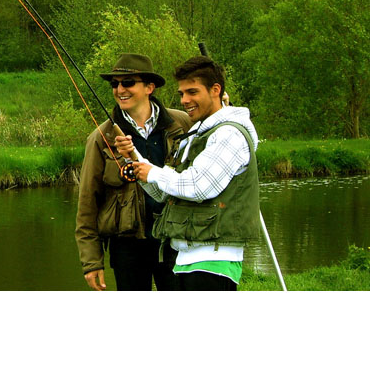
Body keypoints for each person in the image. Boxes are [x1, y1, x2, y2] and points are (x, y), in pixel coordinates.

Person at [115, 56, 260, 291]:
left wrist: (152, 172)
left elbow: (198, 187)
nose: (185, 100)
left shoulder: (229, 135)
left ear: (216, 90)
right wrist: (135, 158)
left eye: (192, 92)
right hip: (186, 259)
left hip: (213, 262)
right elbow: (166, 193)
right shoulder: (197, 133)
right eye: (182, 94)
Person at [75, 53, 191, 291]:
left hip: (177, 241)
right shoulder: (101, 138)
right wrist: (91, 262)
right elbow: (87, 204)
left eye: (127, 82)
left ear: (150, 87)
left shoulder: (183, 123)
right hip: (127, 248)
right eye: (114, 84)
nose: (120, 89)